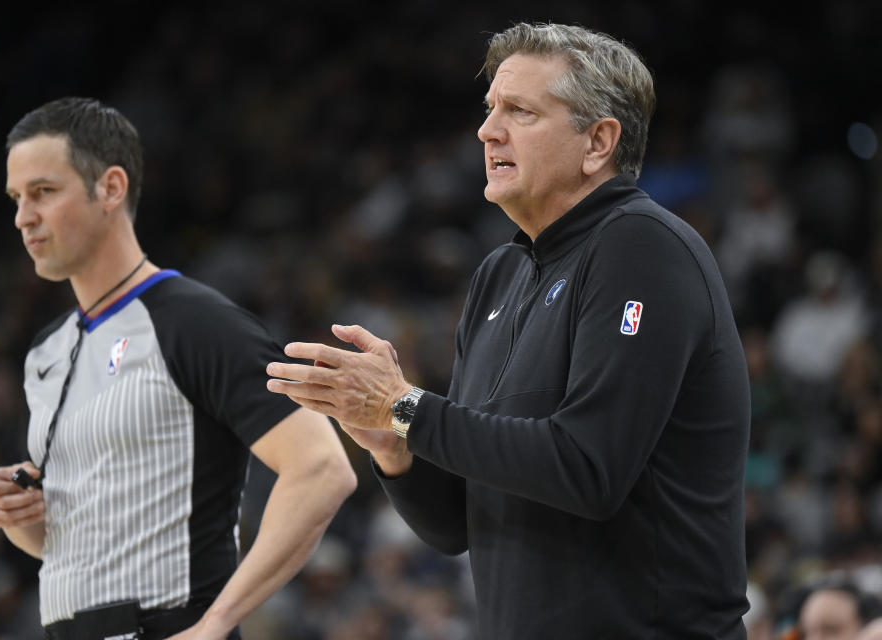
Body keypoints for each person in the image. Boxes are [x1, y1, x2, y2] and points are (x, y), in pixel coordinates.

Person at [266, 22, 751, 638]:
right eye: (491, 108)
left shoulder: (641, 247)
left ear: (598, 141)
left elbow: (587, 469)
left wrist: (405, 406)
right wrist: (392, 443)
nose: (487, 129)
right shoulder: (500, 274)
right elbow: (457, 523)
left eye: (520, 111)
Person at [0, 97, 357, 640]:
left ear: (110, 188)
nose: (22, 217)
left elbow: (322, 469)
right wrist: (19, 513)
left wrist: (217, 623)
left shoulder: (194, 322)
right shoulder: (45, 352)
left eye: (43, 192)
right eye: (16, 198)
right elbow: (69, 543)